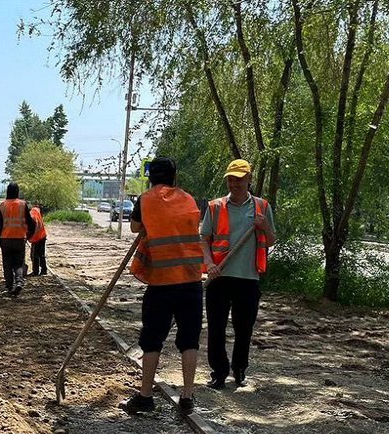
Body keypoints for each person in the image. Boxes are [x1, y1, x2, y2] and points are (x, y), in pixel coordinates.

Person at [119, 156, 204, 414]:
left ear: (151, 177)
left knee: (152, 339)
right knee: (190, 339)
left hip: (162, 282)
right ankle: (187, 397)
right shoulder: (188, 199)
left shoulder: (145, 200)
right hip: (191, 280)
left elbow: (134, 228)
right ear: (174, 176)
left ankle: (145, 396)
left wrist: (148, 223)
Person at [202, 159, 277, 389]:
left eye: (239, 179)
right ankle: (219, 372)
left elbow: (272, 240)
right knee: (216, 327)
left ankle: (240, 369)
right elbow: (204, 239)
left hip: (248, 278)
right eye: (231, 179)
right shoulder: (215, 207)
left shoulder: (262, 208)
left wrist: (264, 226)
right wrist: (209, 264)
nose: (235, 183)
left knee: (244, 328)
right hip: (219, 277)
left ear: (249, 180)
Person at [0, 182, 36, 296]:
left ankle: (9, 287)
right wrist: (30, 234)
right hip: (19, 239)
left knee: (7, 264)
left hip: (5, 240)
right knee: (18, 264)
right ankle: (19, 283)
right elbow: (30, 222)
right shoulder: (23, 204)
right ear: (17, 191)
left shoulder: (2, 206)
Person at [28, 204, 48, 276]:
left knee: (34, 255)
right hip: (42, 235)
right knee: (41, 254)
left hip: (38, 237)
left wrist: (29, 238)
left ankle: (35, 272)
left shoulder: (32, 216)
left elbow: (33, 228)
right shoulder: (35, 210)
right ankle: (44, 270)